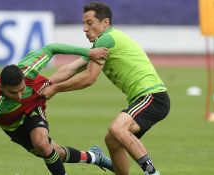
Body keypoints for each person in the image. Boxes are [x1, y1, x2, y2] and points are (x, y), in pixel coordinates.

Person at [39, 2, 170, 175]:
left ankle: (152, 173)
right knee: (112, 140)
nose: (85, 29)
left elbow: (89, 78)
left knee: (117, 129)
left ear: (105, 23)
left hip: (152, 96)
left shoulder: (106, 38)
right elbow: (71, 68)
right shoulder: (100, 46)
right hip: (147, 98)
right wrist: (44, 85)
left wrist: (55, 89)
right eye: (84, 24)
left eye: (90, 23)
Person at [0, 43, 113, 175]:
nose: (19, 95)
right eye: (13, 93)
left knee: (41, 144)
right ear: (2, 88)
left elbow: (51, 48)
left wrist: (89, 52)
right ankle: (94, 157)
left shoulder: (28, 69)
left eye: (22, 89)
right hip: (14, 127)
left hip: (33, 106)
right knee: (56, 153)